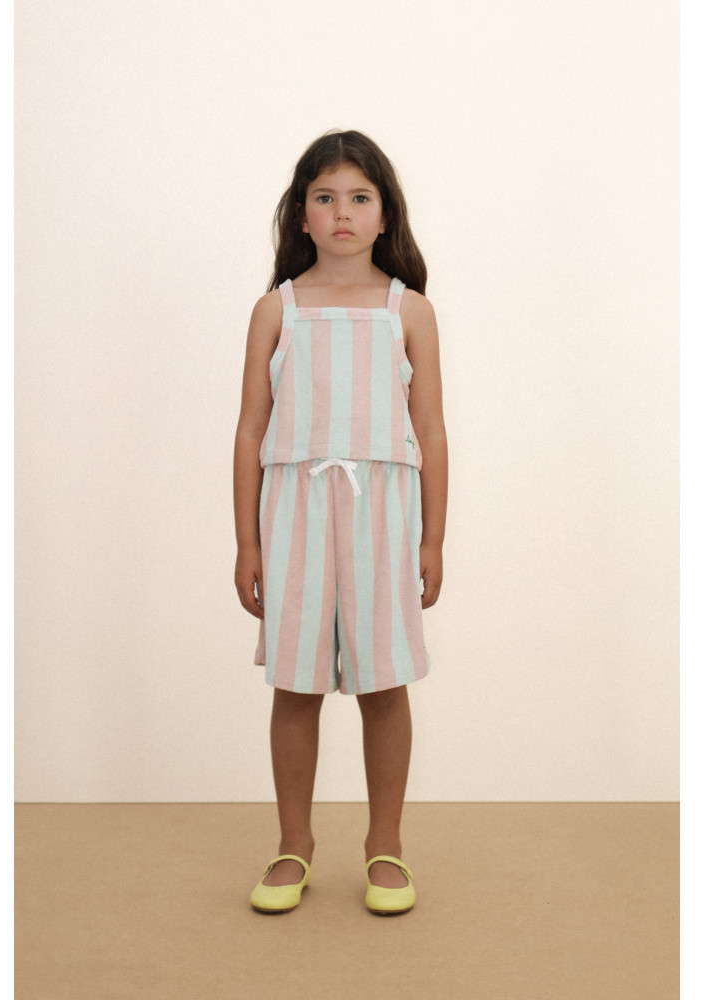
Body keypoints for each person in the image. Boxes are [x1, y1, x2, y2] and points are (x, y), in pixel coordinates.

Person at [233, 130, 447, 915]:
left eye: (359, 197)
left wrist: (432, 538)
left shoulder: (408, 311)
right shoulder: (276, 310)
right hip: (294, 513)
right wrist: (248, 541)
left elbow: (431, 433)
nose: (343, 212)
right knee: (297, 686)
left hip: (382, 517)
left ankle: (385, 845)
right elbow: (250, 432)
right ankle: (294, 844)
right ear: (301, 215)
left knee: (383, 683)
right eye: (325, 198)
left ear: (386, 214)